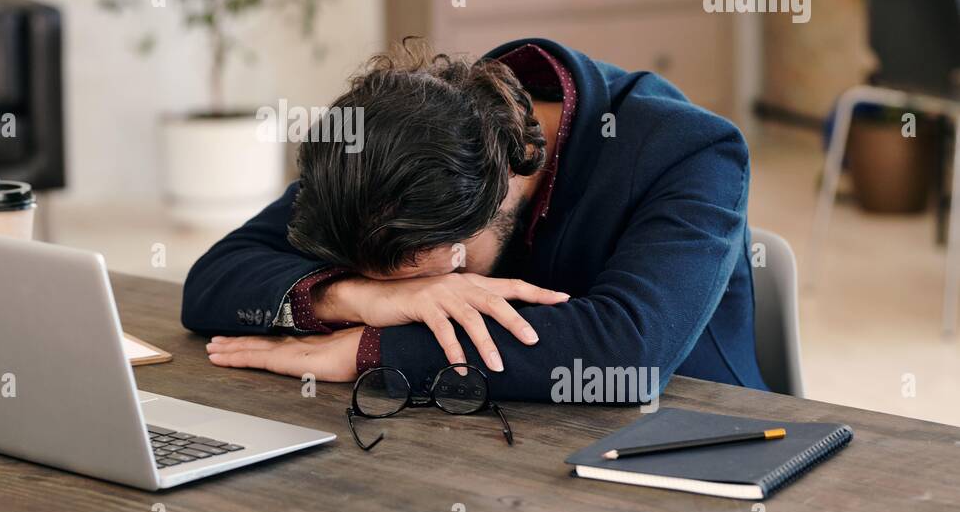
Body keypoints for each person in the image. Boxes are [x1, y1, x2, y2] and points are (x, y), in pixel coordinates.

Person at [181, 37, 768, 401]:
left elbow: (630, 352)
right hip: (477, 441)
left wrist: (374, 350)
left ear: (502, 187)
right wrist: (354, 299)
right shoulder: (401, 144)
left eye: (420, 279)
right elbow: (212, 279)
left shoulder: (692, 150)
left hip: (692, 444)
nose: (419, 298)